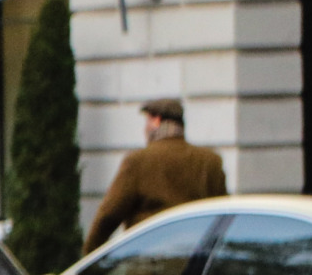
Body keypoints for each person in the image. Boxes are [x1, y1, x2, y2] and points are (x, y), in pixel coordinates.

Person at [84, 97, 228, 252]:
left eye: (147, 121)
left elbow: (109, 215)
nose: (144, 129)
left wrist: (90, 255)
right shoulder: (210, 161)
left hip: (148, 262)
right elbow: (223, 214)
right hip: (196, 261)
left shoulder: (138, 161)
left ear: (156, 121)